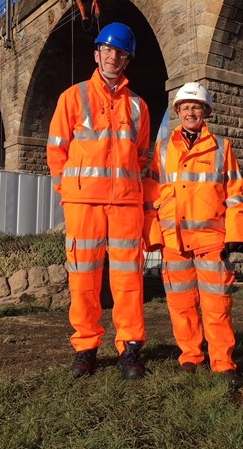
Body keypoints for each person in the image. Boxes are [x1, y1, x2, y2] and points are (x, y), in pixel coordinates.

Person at [47, 22, 150, 380]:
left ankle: (131, 349)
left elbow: (140, 158)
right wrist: (68, 192)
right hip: (83, 206)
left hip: (125, 205)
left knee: (129, 280)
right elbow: (56, 151)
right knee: (83, 279)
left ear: (127, 60)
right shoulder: (72, 98)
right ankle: (85, 349)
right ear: (97, 54)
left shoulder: (138, 106)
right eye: (108, 50)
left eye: (121, 53)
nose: (114, 57)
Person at [142, 82, 243, 388]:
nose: (191, 112)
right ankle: (190, 357)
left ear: (206, 112)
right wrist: (153, 235)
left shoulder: (222, 147)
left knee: (217, 306)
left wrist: (236, 234)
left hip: (211, 242)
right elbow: (151, 194)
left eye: (197, 107)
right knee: (182, 305)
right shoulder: (163, 149)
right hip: (174, 242)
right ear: (177, 112)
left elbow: (235, 194)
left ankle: (223, 363)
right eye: (185, 107)